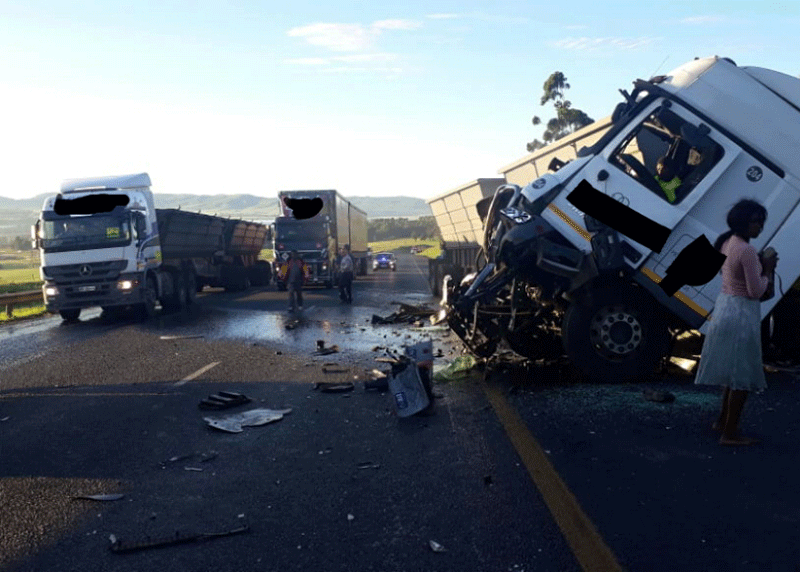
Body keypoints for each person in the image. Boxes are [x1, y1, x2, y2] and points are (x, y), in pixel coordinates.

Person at [694, 199, 778, 446]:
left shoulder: (727, 242)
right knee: (742, 376)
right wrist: (769, 269)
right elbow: (756, 290)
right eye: (755, 222)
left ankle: (723, 420)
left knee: (732, 372)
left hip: (725, 307)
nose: (760, 227)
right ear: (743, 222)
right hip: (742, 312)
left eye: (761, 222)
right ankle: (730, 433)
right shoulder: (747, 250)